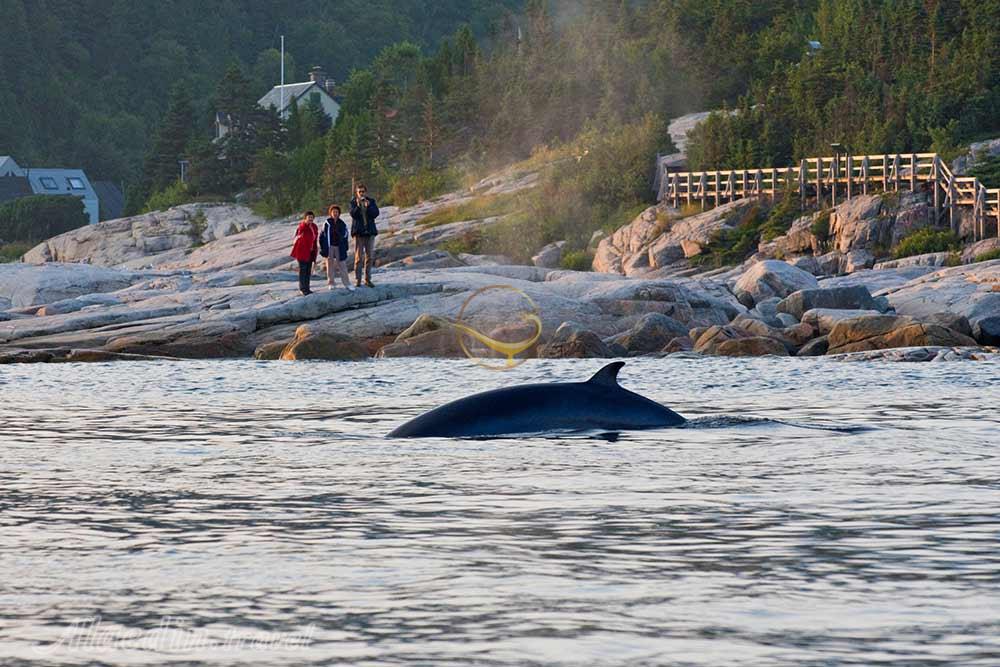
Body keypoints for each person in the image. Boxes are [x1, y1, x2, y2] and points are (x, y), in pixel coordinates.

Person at [349, 183, 379, 287]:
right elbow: (353, 214)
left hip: (369, 232)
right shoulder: (353, 202)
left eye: (363, 191)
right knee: (358, 258)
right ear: (356, 193)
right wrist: (357, 206)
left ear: (365, 192)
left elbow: (375, 214)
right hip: (359, 233)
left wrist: (369, 206)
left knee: (369, 257)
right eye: (359, 192)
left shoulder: (371, 201)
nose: (361, 193)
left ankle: (368, 279)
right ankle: (357, 280)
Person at [320, 205, 354, 291]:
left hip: (339, 246)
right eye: (333, 212)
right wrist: (323, 248)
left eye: (337, 212)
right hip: (330, 246)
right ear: (330, 213)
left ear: (339, 213)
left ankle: (347, 284)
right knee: (330, 265)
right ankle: (331, 283)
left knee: (342, 265)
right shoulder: (327, 223)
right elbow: (322, 236)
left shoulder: (342, 224)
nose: (335, 213)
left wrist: (345, 247)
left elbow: (345, 236)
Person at [290, 211, 319, 296]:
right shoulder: (303, 226)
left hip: (311, 251)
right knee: (303, 270)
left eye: (311, 217)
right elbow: (300, 230)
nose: (310, 219)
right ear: (305, 218)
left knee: (308, 271)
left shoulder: (314, 226)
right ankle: (302, 289)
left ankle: (307, 288)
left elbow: (315, 239)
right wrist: (304, 224)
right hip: (302, 252)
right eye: (308, 217)